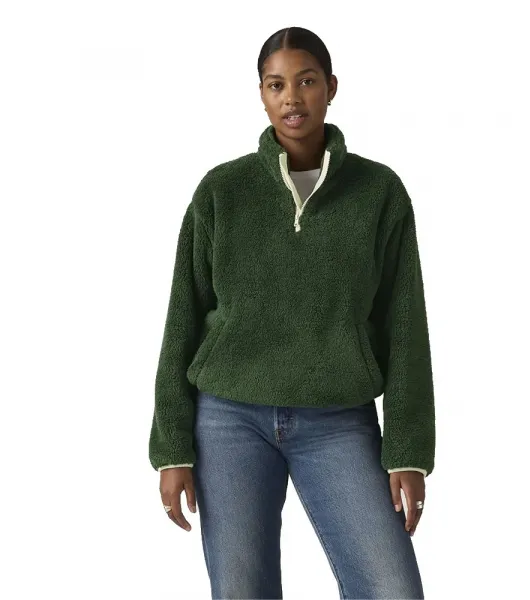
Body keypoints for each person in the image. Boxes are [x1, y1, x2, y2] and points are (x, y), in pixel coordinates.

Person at [149, 26, 436, 600]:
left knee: (392, 589)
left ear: (331, 87)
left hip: (338, 419)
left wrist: (408, 451)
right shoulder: (222, 191)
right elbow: (183, 318)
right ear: (260, 94)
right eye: (275, 84)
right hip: (228, 420)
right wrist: (171, 448)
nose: (291, 98)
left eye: (306, 82)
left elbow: (405, 326)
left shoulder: (378, 192)